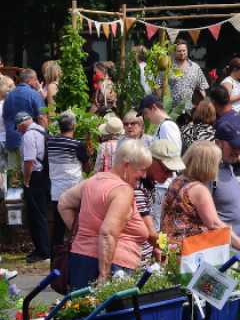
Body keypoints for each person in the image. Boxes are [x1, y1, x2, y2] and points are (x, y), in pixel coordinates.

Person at [58, 139, 152, 290]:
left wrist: (82, 233)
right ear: (126, 165)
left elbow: (63, 202)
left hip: (81, 258)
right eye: (142, 170)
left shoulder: (93, 181)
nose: (145, 175)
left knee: (81, 310)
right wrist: (103, 277)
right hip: (112, 267)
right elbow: (108, 233)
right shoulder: (122, 190)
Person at [160, 141, 240, 260]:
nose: (219, 166)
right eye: (217, 163)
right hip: (190, 256)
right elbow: (214, 224)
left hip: (171, 251)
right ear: (207, 165)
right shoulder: (199, 190)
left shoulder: (176, 182)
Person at [48, 111, 91, 266]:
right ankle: (80, 260)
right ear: (74, 126)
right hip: (74, 191)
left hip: (56, 191)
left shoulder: (50, 143)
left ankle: (55, 264)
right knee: (78, 227)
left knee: (58, 229)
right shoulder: (77, 145)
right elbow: (87, 166)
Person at [210, 85, 240, 222]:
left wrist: (239, 158)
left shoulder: (221, 123)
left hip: (233, 175)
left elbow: (223, 153)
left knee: (230, 218)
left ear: (214, 103)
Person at [208, 121, 240, 255]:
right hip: (225, 256)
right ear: (218, 143)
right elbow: (209, 220)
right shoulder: (210, 172)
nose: (237, 151)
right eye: (233, 145)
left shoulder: (228, 166)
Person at [136, 94, 182, 231]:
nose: (146, 118)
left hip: (164, 185)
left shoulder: (167, 127)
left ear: (154, 108)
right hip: (162, 183)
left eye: (146, 113)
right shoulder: (163, 126)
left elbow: (171, 155)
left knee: (156, 226)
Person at [136, 140, 186, 262]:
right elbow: (151, 234)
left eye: (173, 171)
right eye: (166, 169)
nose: (170, 175)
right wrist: (184, 247)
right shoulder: (137, 186)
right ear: (150, 160)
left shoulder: (150, 183)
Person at [14, 112, 51, 263]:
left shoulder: (28, 136)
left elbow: (29, 161)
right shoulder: (44, 130)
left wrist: (26, 180)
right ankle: (40, 249)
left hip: (35, 178)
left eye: (18, 129)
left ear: (20, 125)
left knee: (37, 215)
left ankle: (43, 251)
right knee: (39, 214)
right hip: (47, 176)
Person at [2, 69, 48, 170]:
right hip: (30, 139)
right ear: (28, 80)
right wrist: (46, 135)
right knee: (31, 170)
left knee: (15, 171)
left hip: (12, 138)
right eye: (35, 79)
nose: (37, 82)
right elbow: (41, 117)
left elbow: (5, 120)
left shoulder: (9, 96)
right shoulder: (34, 94)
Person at [155, 39, 209, 113]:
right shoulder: (167, 67)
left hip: (191, 109)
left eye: (184, 50)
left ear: (187, 50)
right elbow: (157, 85)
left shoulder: (195, 67)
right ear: (174, 51)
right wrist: (163, 102)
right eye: (179, 51)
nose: (182, 53)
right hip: (171, 110)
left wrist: (200, 104)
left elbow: (202, 87)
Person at [0, 80, 15, 198]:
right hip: (10, 139)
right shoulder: (12, 105)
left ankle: (2, 193)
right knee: (13, 168)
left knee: (1, 170)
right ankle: (14, 195)